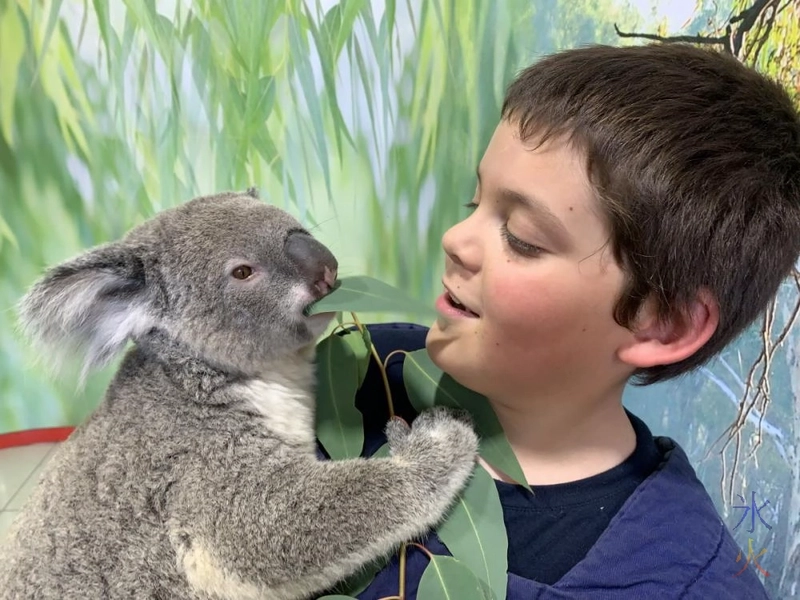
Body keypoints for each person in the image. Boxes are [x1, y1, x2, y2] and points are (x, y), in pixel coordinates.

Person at [330, 42, 800, 599]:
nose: (455, 241)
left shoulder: (682, 584)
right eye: (472, 202)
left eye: (522, 238)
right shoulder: (365, 366)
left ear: (663, 324)